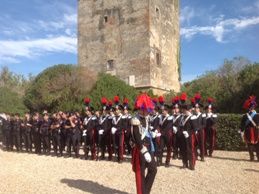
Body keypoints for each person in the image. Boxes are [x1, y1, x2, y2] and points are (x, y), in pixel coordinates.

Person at [131, 93, 157, 194]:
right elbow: (136, 137)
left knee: (153, 169)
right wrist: (143, 150)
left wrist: (152, 133)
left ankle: (145, 192)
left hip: (149, 147)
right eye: (146, 109)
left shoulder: (146, 118)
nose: (148, 111)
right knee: (140, 174)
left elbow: (146, 131)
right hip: (140, 149)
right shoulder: (135, 120)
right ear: (141, 109)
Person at [240, 95, 259, 161]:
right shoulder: (257, 115)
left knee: (250, 145)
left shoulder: (245, 116)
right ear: (254, 107)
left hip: (248, 131)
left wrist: (241, 132)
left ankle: (252, 157)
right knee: (257, 145)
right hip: (256, 131)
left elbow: (242, 125)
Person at [157, 96, 173, 167]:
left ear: (167, 111)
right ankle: (159, 161)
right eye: (162, 110)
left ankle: (167, 161)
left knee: (169, 148)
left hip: (168, 134)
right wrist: (158, 131)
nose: (162, 111)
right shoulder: (160, 117)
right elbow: (159, 125)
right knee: (160, 148)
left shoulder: (170, 117)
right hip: (162, 134)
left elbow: (168, 127)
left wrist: (161, 132)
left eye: (164, 110)